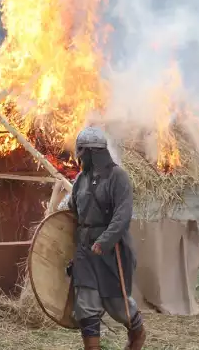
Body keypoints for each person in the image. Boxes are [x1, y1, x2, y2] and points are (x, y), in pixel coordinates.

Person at [67, 126, 146, 350]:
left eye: (82, 151)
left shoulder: (118, 177)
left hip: (112, 251)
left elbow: (122, 215)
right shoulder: (81, 180)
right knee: (86, 304)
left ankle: (137, 335)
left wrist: (105, 241)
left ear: (94, 152)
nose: (80, 156)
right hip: (85, 248)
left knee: (117, 304)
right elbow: (72, 210)